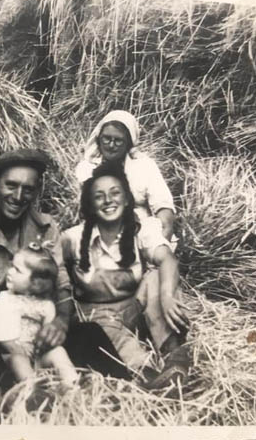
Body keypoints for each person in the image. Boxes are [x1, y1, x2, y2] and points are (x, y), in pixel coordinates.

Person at [0, 149, 130, 386]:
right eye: (11, 185)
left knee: (90, 332)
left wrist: (59, 322)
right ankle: (20, 400)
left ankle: (121, 395)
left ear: (36, 191)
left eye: (28, 189)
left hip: (35, 331)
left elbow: (61, 287)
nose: (18, 196)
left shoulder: (46, 228)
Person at [62, 161, 191, 387]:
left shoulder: (140, 229)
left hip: (133, 309)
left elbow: (168, 259)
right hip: (98, 317)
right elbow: (52, 271)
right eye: (99, 196)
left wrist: (167, 296)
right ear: (90, 205)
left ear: (127, 199)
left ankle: (174, 357)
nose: (108, 200)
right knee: (106, 328)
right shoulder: (72, 238)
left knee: (157, 276)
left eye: (115, 193)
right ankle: (148, 376)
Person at [75, 110, 176, 242]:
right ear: (99, 139)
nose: (111, 145)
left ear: (128, 143)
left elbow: (162, 205)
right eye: (106, 138)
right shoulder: (86, 168)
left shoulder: (144, 166)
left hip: (140, 231)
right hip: (100, 230)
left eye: (118, 141)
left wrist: (164, 235)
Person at [0, 243, 79, 387]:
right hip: (11, 356)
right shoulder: (4, 298)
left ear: (36, 284)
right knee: (19, 360)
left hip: (37, 357)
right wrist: (15, 348)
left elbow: (49, 333)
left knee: (58, 352)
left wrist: (45, 344)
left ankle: (72, 385)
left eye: (17, 270)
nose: (10, 271)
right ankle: (33, 391)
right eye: (12, 266)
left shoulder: (46, 306)